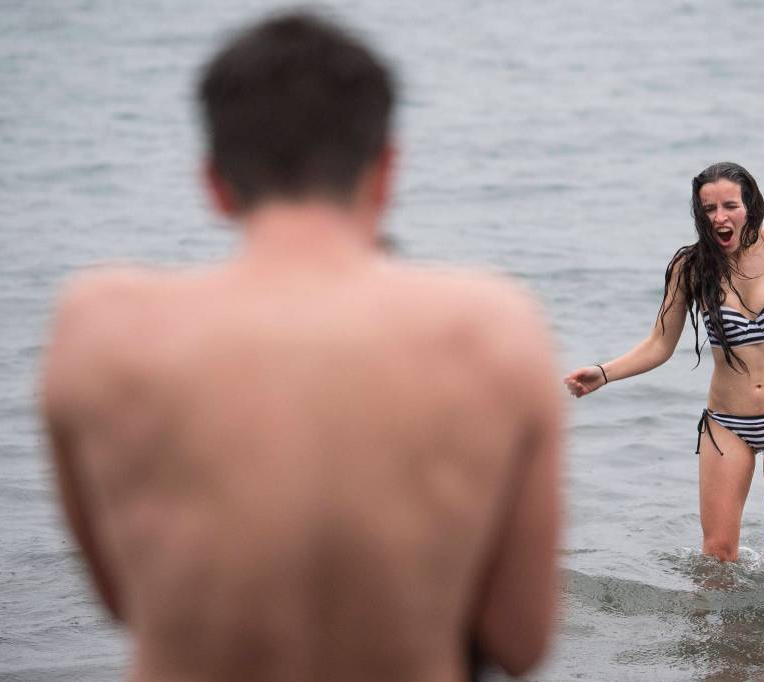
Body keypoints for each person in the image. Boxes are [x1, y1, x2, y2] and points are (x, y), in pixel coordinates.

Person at [40, 12, 561, 682]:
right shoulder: (496, 327)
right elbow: (520, 641)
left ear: (213, 181)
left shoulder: (96, 328)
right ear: (386, 171)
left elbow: (127, 602)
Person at [564, 162, 764, 573]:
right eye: (708, 209)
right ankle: (719, 636)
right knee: (717, 558)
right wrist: (604, 372)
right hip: (726, 425)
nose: (719, 217)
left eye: (729, 206)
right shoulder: (690, 267)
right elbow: (659, 344)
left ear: (750, 206)